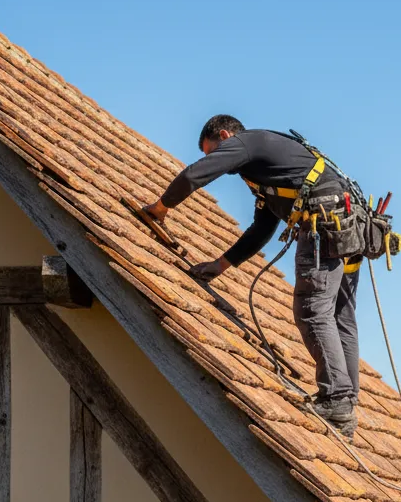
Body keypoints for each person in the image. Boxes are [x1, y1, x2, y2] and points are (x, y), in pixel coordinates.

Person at [142, 115, 362, 440]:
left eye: (213, 150)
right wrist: (220, 265)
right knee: (340, 318)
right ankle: (345, 402)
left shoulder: (246, 143)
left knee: (313, 310)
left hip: (324, 224)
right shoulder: (268, 170)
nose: (215, 158)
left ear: (225, 135)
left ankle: (337, 400)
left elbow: (193, 175)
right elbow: (262, 228)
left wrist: (160, 208)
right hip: (347, 227)